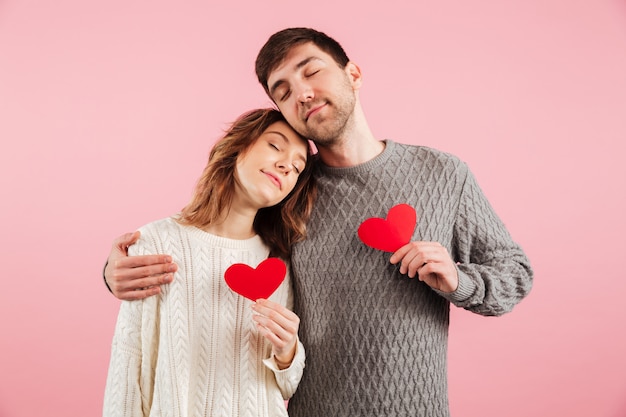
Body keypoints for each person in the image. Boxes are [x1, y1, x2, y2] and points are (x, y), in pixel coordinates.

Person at [103, 28, 533, 417]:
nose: (302, 94)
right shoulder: (286, 190)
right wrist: (116, 273)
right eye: (284, 91)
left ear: (354, 74)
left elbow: (515, 274)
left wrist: (459, 280)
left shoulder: (444, 174)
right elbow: (215, 245)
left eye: (312, 72)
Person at [102, 108, 317, 417]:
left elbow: (286, 386)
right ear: (238, 145)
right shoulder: (157, 242)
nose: (286, 166)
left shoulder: (277, 262)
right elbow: (129, 362)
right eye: (274, 146)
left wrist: (287, 353)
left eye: (298, 167)